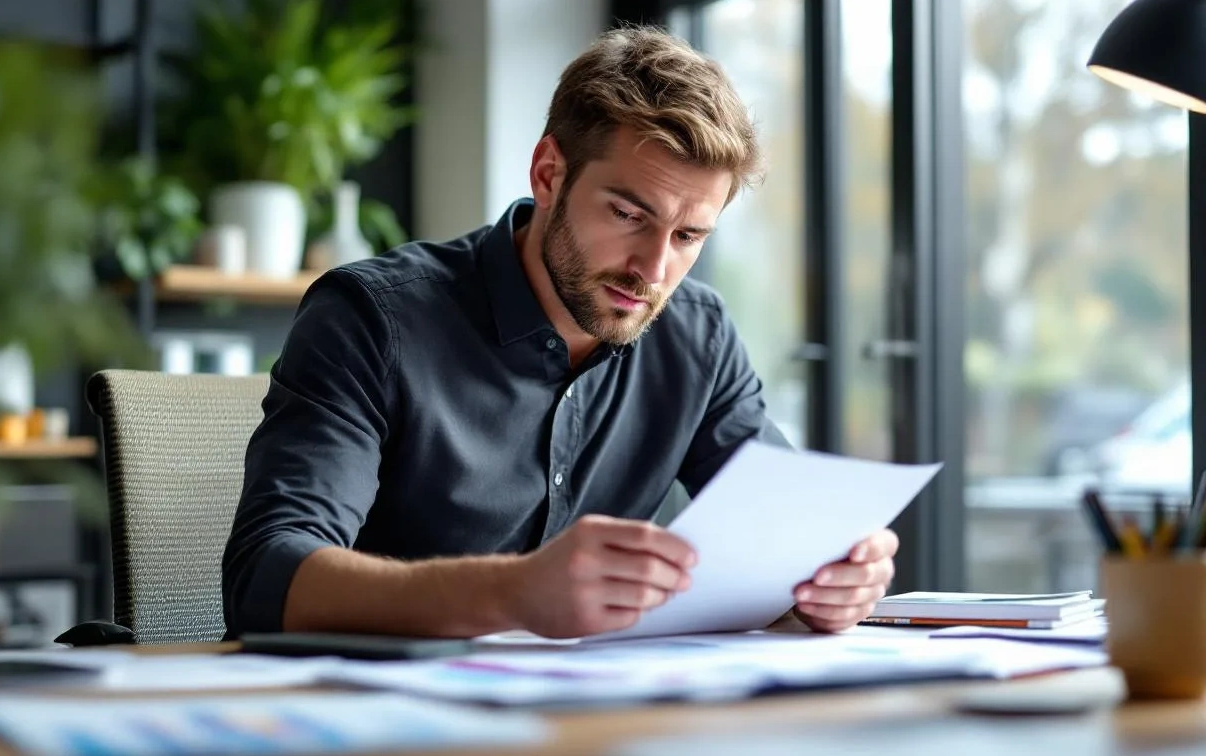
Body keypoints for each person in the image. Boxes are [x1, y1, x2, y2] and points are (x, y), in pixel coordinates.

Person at [221, 26, 897, 641]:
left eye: (688, 236)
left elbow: (786, 536)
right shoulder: (371, 317)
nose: (653, 269)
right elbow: (263, 578)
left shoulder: (699, 336)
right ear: (549, 174)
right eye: (629, 215)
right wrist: (511, 593)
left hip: (600, 710)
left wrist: (833, 576)